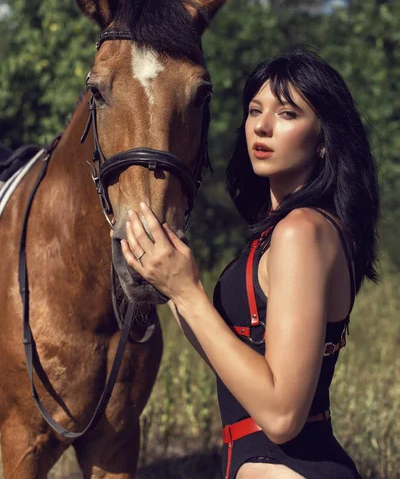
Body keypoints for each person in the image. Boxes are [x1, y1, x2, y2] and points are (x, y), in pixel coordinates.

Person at [121, 48, 379, 479]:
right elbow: (240, 363)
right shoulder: (286, 232)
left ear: (323, 139)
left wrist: (188, 292)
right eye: (255, 110)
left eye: (288, 113)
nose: (261, 125)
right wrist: (170, 285)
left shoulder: (301, 230)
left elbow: (281, 415)